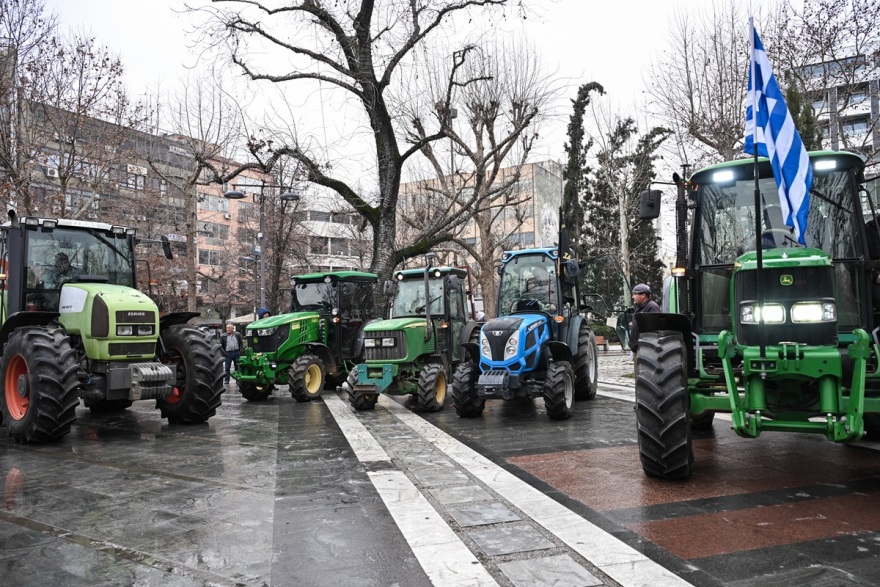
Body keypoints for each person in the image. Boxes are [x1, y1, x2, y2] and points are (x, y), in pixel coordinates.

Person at [628, 283, 661, 358]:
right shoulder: (639, 306)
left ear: (643, 295)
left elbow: (654, 330)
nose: (633, 297)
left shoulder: (652, 307)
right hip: (638, 349)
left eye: (635, 294)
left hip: (645, 350)